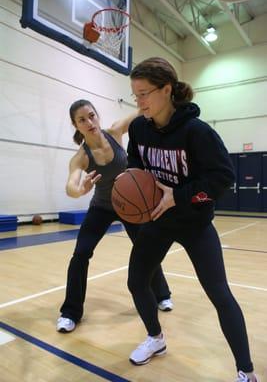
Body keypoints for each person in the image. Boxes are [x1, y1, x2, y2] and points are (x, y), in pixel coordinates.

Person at [126, 58, 258, 382]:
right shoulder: (138, 128)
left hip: (196, 222)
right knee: (136, 281)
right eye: (135, 95)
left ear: (166, 90)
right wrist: (134, 190)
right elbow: (135, 167)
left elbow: (222, 182)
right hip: (157, 220)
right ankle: (155, 339)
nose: (139, 102)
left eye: (144, 94)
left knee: (219, 293)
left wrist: (182, 196)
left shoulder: (197, 132)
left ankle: (246, 371)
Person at [57, 99, 173, 333]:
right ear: (75, 125)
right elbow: (71, 184)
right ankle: (70, 312)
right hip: (101, 208)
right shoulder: (80, 157)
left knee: (146, 250)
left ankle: (162, 294)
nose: (89, 122)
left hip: (131, 207)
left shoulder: (115, 132)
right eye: (82, 120)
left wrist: (152, 96)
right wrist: (79, 190)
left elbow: (141, 110)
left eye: (92, 115)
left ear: (97, 116)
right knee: (80, 254)